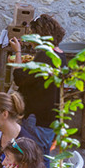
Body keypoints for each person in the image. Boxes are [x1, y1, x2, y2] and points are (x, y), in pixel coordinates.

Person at [9, 14, 67, 157]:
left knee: (33, 159)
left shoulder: (45, 56)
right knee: (44, 158)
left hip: (38, 119)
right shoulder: (60, 54)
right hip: (51, 118)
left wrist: (17, 51)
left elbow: (19, 78)